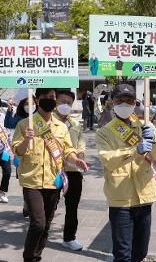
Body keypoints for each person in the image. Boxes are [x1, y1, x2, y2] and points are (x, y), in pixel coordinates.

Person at [12, 88, 88, 262]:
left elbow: (68, 149)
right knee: (37, 223)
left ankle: (36, 256)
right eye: (45, 97)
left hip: (53, 181)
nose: (49, 100)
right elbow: (18, 151)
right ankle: (29, 258)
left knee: (46, 225)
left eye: (52, 97)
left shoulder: (61, 127)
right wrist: (27, 140)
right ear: (37, 100)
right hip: (32, 180)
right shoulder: (25, 124)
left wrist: (76, 160)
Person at [96, 84, 156, 262]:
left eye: (129, 101)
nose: (124, 104)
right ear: (112, 103)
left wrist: (153, 140)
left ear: (135, 103)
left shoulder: (145, 125)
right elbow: (108, 160)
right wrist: (134, 150)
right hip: (120, 200)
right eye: (119, 100)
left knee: (140, 252)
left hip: (144, 197)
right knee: (122, 254)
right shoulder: (104, 133)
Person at [54, 90, 86, 251]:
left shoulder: (75, 124)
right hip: (52, 171)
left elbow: (80, 145)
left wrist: (79, 157)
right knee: (49, 205)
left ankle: (69, 237)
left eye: (69, 102)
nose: (65, 105)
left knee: (72, 207)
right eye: (62, 101)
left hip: (73, 171)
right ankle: (41, 233)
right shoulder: (48, 122)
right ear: (55, 101)